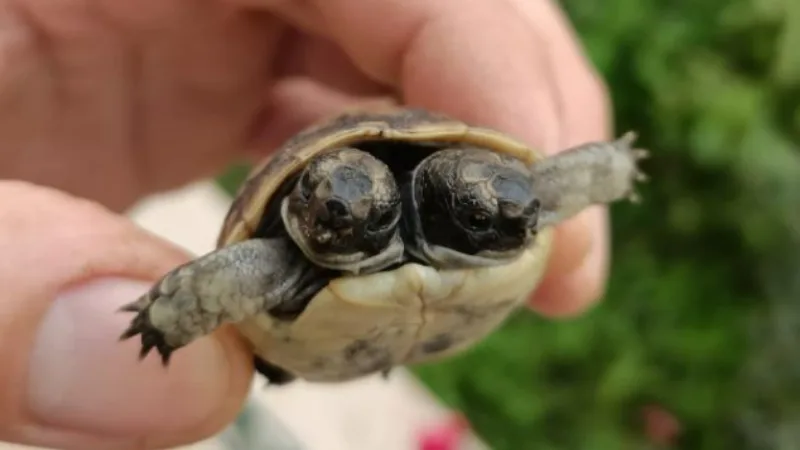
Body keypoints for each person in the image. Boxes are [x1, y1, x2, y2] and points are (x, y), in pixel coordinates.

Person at [0, 0, 612, 448]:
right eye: (326, 214)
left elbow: (536, 188)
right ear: (297, 214)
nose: (337, 215)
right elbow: (225, 277)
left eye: (506, 213)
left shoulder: (495, 190)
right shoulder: (276, 260)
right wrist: (165, 318)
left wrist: (605, 167)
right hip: (309, 314)